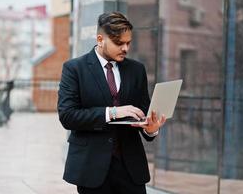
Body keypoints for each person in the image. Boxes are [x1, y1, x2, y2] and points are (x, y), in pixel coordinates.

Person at [57, 12, 166, 194]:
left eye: (128, 43)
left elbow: (143, 113)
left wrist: (151, 128)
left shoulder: (136, 70)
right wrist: (113, 112)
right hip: (91, 168)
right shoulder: (74, 69)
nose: (125, 48)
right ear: (100, 39)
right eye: (119, 43)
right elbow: (68, 116)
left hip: (131, 168)